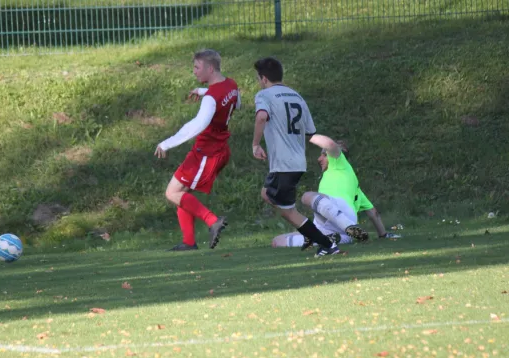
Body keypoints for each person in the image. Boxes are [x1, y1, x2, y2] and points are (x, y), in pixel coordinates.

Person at [251, 57, 368, 257]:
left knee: (287, 211)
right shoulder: (297, 97)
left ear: (263, 78)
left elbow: (261, 116)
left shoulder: (264, 95)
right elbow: (310, 132)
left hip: (283, 164)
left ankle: (324, 243)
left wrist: (255, 144)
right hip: (298, 163)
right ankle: (313, 235)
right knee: (269, 195)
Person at [155, 49, 240, 251]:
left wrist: (167, 143)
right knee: (181, 193)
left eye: (197, 67)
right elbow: (236, 103)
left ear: (210, 68)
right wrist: (204, 92)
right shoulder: (232, 85)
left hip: (206, 153)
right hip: (219, 150)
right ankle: (189, 242)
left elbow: (197, 125)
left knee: (172, 192)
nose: (194, 72)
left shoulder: (211, 98)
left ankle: (212, 221)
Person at [271, 142, 401, 248]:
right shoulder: (356, 190)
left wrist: (313, 136)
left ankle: (346, 227)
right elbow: (373, 213)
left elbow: (332, 146)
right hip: (331, 225)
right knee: (277, 241)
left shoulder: (339, 164)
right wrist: (383, 235)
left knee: (306, 196)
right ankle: (338, 238)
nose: (319, 159)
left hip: (340, 210)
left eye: (323, 155)